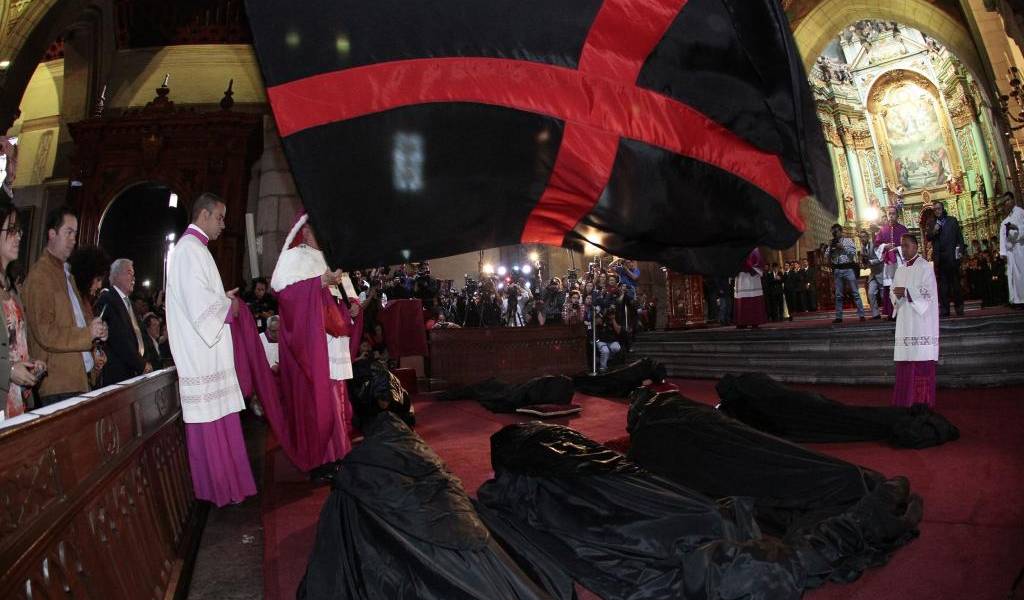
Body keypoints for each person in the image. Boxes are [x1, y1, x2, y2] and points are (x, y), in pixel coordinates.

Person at [166, 192, 256, 507]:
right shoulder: (188, 250)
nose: (223, 224)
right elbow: (198, 306)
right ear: (203, 215)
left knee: (220, 421)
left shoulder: (197, 249)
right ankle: (219, 489)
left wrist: (222, 299)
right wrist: (227, 306)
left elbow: (203, 298)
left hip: (209, 356)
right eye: (219, 217)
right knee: (212, 425)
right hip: (200, 359)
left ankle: (228, 488)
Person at [271, 211, 359, 479]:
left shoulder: (330, 257)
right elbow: (285, 295)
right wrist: (319, 283)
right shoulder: (294, 257)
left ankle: (339, 452)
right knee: (319, 402)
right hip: (312, 346)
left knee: (337, 397)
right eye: (313, 229)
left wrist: (354, 306)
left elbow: (347, 294)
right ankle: (322, 459)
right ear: (304, 230)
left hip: (334, 342)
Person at [22, 206, 108, 405]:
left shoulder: (66, 275)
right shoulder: (40, 276)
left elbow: (77, 320)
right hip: (58, 383)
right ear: (52, 234)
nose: (73, 239)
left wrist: (97, 329)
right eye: (68, 232)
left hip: (77, 380)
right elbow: (45, 332)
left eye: (75, 234)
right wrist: (87, 333)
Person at [0, 203, 46, 420]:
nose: (19, 236)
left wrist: (29, 365)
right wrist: (9, 370)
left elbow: (13, 345)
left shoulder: (11, 288)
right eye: (11, 230)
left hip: (16, 399)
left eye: (19, 231)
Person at [891, 234, 939, 407]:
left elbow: (929, 294)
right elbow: (893, 291)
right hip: (905, 319)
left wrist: (907, 292)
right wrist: (896, 295)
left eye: (906, 245)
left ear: (915, 246)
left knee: (920, 360)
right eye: (902, 246)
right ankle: (904, 400)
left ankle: (921, 401)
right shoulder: (900, 269)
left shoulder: (925, 267)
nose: (903, 249)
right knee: (906, 361)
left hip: (921, 322)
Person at [95, 259, 153, 385]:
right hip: (118, 375)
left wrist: (147, 361)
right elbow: (118, 339)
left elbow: (141, 336)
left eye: (134, 274)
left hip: (136, 374)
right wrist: (141, 364)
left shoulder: (130, 304)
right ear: (117, 275)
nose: (134, 278)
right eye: (129, 273)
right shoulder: (108, 299)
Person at [926, 201, 965, 317]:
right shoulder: (932, 222)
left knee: (956, 284)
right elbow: (928, 237)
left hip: (952, 257)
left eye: (938, 208)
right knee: (943, 286)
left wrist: (961, 251)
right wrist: (934, 230)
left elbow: (959, 237)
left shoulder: (952, 220)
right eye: (935, 209)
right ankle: (944, 309)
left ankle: (959, 307)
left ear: (943, 209)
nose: (937, 211)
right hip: (940, 259)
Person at [823, 223, 866, 324]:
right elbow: (826, 255)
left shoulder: (848, 241)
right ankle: (839, 317)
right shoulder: (832, 242)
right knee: (838, 295)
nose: (834, 234)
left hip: (848, 268)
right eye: (833, 232)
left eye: (836, 232)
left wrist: (843, 247)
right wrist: (830, 249)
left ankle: (861, 315)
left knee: (855, 292)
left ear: (840, 231)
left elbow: (853, 253)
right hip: (837, 269)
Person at [875, 209, 908, 319]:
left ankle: (903, 311)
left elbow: (909, 245)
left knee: (901, 285)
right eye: (889, 214)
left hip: (900, 261)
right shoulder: (882, 230)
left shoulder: (903, 229)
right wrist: (885, 246)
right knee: (890, 287)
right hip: (888, 263)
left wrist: (898, 249)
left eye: (893, 214)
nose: (891, 216)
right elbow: (877, 245)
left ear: (897, 216)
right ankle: (891, 313)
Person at [999, 194, 1024, 307]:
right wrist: (1003, 252)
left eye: (1008, 200)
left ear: (1013, 200)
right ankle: (1016, 299)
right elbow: (1003, 238)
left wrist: (1017, 228)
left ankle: (1021, 299)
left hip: (1020, 247)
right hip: (1011, 252)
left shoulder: (1020, 212)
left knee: (1021, 274)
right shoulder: (1006, 220)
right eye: (1004, 202)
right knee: (1012, 276)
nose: (1006, 203)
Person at [733, 248, 767, 329]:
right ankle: (741, 322)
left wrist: (750, 267)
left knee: (753, 299)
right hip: (741, 277)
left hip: (752, 278)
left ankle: (754, 321)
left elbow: (759, 262)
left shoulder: (754, 249)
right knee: (741, 300)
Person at [859, 230, 884, 319]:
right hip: (873, 273)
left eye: (864, 237)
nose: (862, 239)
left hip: (881, 272)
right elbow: (865, 263)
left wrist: (870, 262)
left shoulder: (874, 245)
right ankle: (876, 314)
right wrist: (864, 265)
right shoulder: (862, 248)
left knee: (883, 295)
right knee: (871, 293)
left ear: (868, 237)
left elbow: (881, 258)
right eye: (861, 237)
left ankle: (892, 313)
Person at [595, 306, 622, 373]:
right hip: (601, 341)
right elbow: (596, 323)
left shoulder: (616, 320)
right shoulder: (603, 319)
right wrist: (601, 318)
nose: (610, 315)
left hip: (612, 341)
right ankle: (603, 367)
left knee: (616, 348)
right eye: (609, 314)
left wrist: (613, 320)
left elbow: (618, 331)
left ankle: (608, 358)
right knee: (605, 351)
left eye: (612, 314)